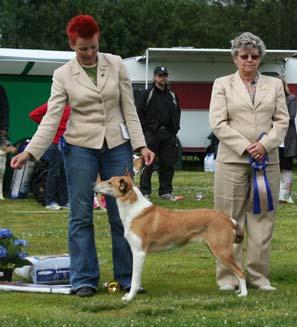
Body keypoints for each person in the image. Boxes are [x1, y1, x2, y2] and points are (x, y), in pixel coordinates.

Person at [10, 14, 154, 297]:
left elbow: (129, 109)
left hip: (116, 145)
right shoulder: (62, 75)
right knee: (80, 214)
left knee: (122, 215)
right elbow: (51, 119)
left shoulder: (116, 64)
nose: (89, 54)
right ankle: (84, 279)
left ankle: (127, 279)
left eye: (93, 47)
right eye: (83, 49)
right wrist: (30, 152)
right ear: (72, 45)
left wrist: (141, 146)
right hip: (79, 148)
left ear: (98, 41)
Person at [209, 32, 289, 292]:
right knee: (227, 222)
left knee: (262, 220)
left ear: (260, 59)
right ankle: (229, 277)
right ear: (235, 58)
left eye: (254, 56)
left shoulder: (275, 85)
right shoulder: (221, 84)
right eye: (244, 56)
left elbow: (282, 121)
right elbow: (218, 123)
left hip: (268, 162)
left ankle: (258, 276)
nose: (249, 61)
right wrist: (246, 147)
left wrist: (264, 145)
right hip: (231, 161)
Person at [136, 65, 182, 201]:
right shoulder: (147, 94)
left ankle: (165, 191)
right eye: (160, 75)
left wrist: (175, 129)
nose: (163, 78)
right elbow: (139, 113)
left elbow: (177, 112)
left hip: (168, 134)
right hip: (151, 134)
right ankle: (145, 191)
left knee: (168, 163)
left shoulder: (172, 95)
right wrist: (145, 131)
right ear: (154, 77)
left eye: (165, 75)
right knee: (148, 163)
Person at [29, 103, 71, 210]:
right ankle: (50, 201)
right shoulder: (54, 102)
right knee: (54, 172)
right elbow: (34, 114)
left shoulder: (74, 104)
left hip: (68, 142)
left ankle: (64, 201)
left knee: (65, 172)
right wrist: (49, 128)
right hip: (55, 142)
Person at [278, 77, 297, 204]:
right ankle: (278, 194)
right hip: (274, 140)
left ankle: (286, 195)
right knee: (275, 168)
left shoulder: (291, 99)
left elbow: (291, 116)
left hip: (287, 140)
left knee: (286, 168)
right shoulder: (270, 100)